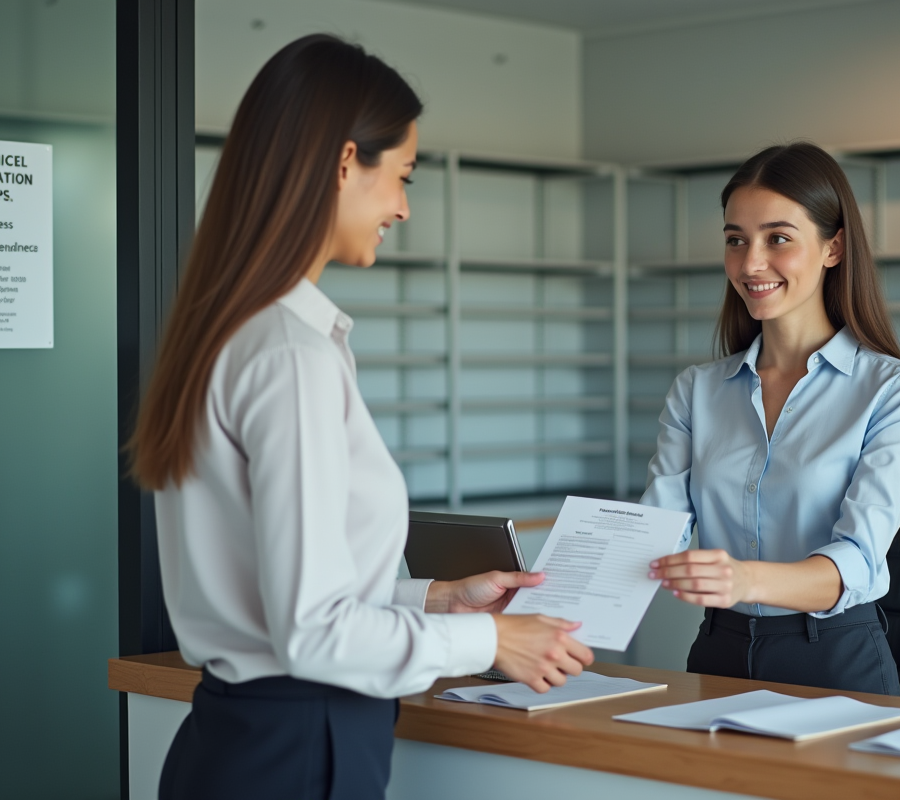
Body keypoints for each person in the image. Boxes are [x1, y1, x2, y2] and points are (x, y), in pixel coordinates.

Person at [126, 34, 593, 800]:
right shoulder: (290, 355)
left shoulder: (233, 333)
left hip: (238, 741)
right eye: (401, 176)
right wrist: (492, 638)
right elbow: (313, 633)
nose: (405, 207)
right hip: (299, 747)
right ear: (345, 164)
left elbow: (276, 599)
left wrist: (436, 598)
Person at [642, 142, 900, 696]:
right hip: (719, 651)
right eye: (735, 240)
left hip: (835, 659)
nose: (751, 263)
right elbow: (654, 535)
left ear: (833, 247)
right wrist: (541, 591)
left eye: (778, 238)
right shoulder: (697, 390)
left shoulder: (894, 389)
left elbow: (858, 560)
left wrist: (742, 577)